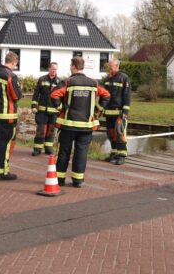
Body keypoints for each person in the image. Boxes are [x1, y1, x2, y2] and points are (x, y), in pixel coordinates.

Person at [50, 57, 110, 188]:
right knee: (81, 152)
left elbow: (54, 95)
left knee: (64, 152)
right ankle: (77, 180)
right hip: (86, 127)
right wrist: (97, 111)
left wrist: (61, 109)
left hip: (68, 125)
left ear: (73, 66)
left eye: (71, 65)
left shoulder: (68, 82)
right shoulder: (93, 83)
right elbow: (106, 95)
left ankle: (59, 179)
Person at [0, 52, 22, 180]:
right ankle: (3, 172)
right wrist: (20, 89)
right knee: (5, 144)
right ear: (13, 63)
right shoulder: (10, 76)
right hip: (8, 115)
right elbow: (16, 96)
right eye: (15, 64)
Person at [102, 59, 132, 165]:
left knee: (120, 133)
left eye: (111, 66)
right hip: (108, 112)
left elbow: (127, 96)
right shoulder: (107, 78)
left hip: (119, 112)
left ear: (117, 66)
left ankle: (122, 155)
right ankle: (114, 153)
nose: (109, 68)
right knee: (111, 133)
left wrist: (125, 111)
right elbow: (104, 95)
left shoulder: (124, 78)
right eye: (109, 66)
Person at [31, 62, 62, 156]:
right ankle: (37, 148)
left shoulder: (60, 82)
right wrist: (34, 106)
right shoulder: (42, 79)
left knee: (51, 130)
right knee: (41, 129)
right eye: (52, 69)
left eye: (56, 69)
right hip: (42, 110)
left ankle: (48, 147)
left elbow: (62, 96)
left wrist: (61, 109)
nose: (54, 71)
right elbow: (36, 94)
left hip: (54, 111)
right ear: (49, 69)